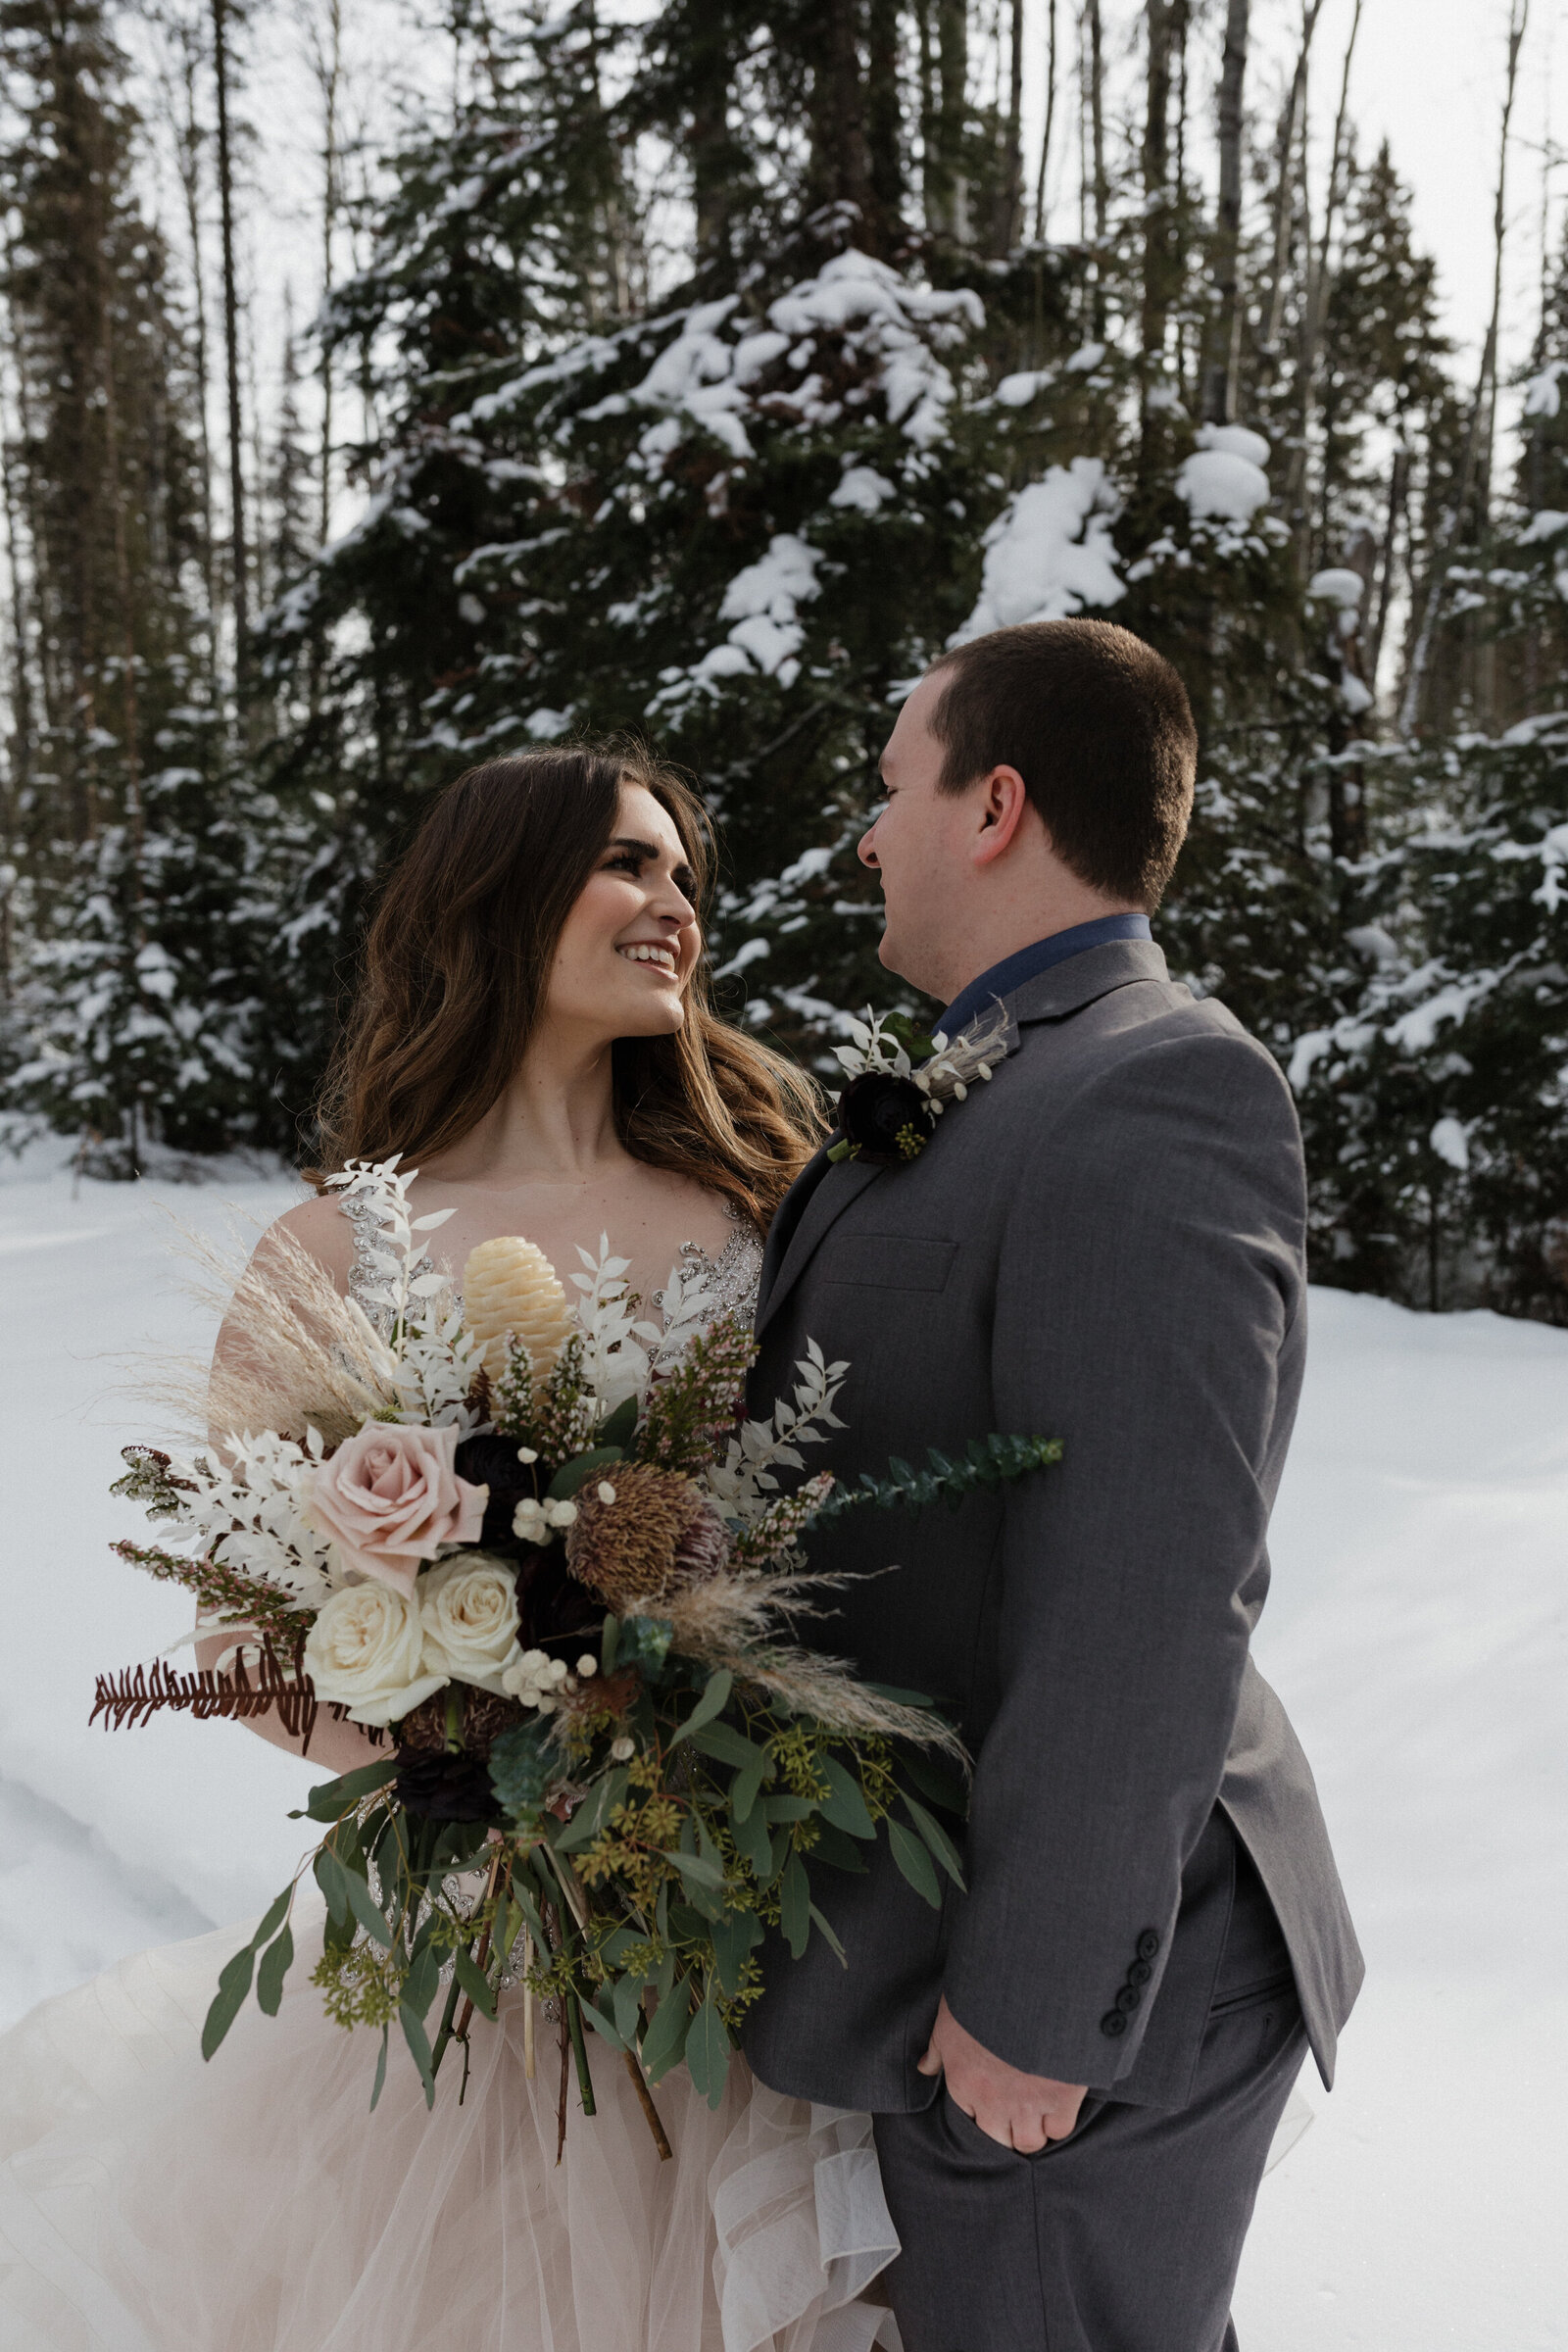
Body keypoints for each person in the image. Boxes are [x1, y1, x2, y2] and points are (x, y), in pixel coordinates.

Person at [0, 747, 904, 2352]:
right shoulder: (334, 1248)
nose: (673, 908)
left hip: (757, 1937)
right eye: (630, 865)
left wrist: (691, 1752)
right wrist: (477, 1771)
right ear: (499, 896)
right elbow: (239, 1644)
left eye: (686, 879)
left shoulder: (767, 1197)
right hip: (484, 1953)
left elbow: (849, 1529)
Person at [741, 619, 1364, 2352]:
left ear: (995, 805)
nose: (866, 835)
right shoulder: (993, 1078)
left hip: (1083, 1994)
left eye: (890, 790)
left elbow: (1151, 1583)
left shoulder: (1158, 1083)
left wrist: (1038, 2003)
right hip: (934, 1946)